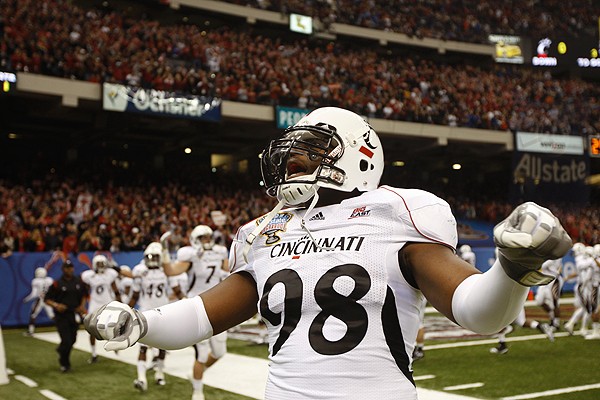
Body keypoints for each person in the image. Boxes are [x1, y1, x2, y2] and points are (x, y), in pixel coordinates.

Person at [85, 107, 572, 400]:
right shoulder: (264, 233)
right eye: (291, 149)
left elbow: (474, 310)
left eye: (313, 148)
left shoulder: (395, 211)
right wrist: (143, 324)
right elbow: (200, 316)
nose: (293, 158)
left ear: (359, 156)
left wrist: (511, 268)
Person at [161, 225, 230, 400]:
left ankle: (196, 374)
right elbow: (171, 271)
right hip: (198, 307)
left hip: (219, 305)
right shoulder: (189, 254)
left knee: (219, 352)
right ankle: (197, 392)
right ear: (194, 240)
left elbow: (231, 269)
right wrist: (164, 251)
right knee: (201, 352)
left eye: (208, 237)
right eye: (202, 238)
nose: (206, 241)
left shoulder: (220, 252)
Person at [128, 242, 186, 392]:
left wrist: (187, 303)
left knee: (162, 347)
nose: (152, 259)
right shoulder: (140, 270)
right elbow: (135, 294)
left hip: (162, 311)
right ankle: (141, 378)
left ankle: (159, 373)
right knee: (143, 347)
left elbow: (176, 289)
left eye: (155, 256)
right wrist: (126, 310)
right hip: (145, 312)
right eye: (149, 257)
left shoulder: (166, 271)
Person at [45, 260, 88, 372]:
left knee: (73, 339)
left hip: (74, 314)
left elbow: (84, 295)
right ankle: (65, 364)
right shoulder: (57, 283)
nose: (69, 270)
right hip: (62, 315)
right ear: (63, 269)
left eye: (71, 267)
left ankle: (61, 350)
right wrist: (56, 305)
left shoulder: (78, 281)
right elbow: (47, 299)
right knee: (67, 340)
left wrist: (82, 306)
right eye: (67, 268)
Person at [81, 254, 121, 363]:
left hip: (108, 302)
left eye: (102, 264)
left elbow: (115, 289)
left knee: (112, 326)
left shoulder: (110, 274)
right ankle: (94, 353)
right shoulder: (89, 276)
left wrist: (120, 302)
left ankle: (115, 345)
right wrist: (83, 305)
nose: (100, 266)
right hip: (94, 304)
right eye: (98, 264)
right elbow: (85, 292)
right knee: (92, 329)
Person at [564, 243, 595, 335]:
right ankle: (580, 327)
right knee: (589, 308)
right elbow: (587, 273)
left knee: (585, 308)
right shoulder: (583, 260)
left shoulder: (582, 260)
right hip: (585, 286)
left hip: (584, 286)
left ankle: (572, 324)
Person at [22, 267, 54, 336]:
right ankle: (65, 327)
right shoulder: (49, 280)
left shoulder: (36, 281)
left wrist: (26, 300)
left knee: (33, 315)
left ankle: (31, 331)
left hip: (40, 300)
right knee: (52, 316)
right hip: (48, 300)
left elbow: (34, 294)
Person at [534, 258, 564, 330]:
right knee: (539, 301)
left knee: (554, 303)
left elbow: (543, 265)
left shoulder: (554, 255)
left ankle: (556, 323)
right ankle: (552, 317)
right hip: (544, 280)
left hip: (553, 280)